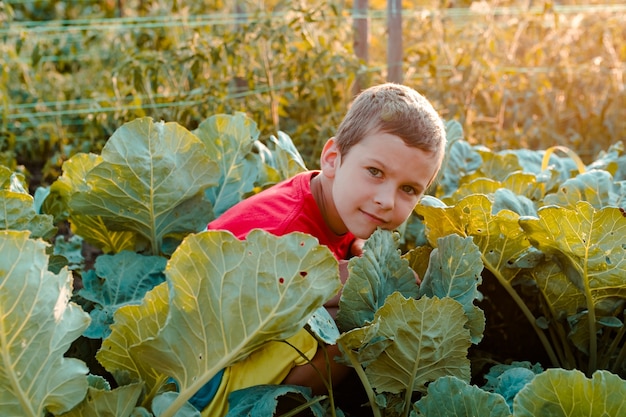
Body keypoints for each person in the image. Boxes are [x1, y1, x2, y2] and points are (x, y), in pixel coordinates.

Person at [199, 82, 447, 416]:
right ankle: (273, 410)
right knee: (355, 319)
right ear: (332, 159)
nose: (386, 201)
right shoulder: (286, 229)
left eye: (408, 189)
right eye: (375, 172)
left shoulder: (330, 200)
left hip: (221, 348)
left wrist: (361, 260)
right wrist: (370, 278)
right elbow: (249, 297)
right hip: (201, 379)